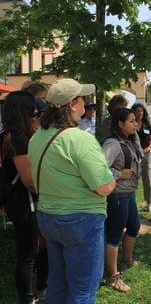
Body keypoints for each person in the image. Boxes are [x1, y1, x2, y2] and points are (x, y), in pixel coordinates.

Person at [28, 78, 116, 303]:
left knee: (57, 283)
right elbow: (105, 187)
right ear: (71, 104)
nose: (85, 104)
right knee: (83, 290)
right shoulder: (80, 139)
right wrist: (114, 178)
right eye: (82, 99)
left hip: (48, 218)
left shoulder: (36, 138)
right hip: (80, 221)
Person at [0, 90, 48, 304]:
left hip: (20, 201)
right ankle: (27, 299)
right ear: (23, 111)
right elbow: (29, 180)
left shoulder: (12, 134)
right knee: (27, 255)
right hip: (24, 202)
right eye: (33, 109)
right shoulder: (16, 138)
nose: (35, 113)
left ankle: (37, 291)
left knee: (32, 251)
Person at [102, 108, 142, 292]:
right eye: (132, 121)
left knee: (134, 226)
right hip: (117, 195)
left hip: (129, 193)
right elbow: (100, 169)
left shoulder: (129, 140)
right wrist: (119, 174)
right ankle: (113, 276)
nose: (136, 124)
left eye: (136, 120)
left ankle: (127, 259)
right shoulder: (112, 143)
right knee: (114, 234)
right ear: (120, 123)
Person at [132, 103, 151, 213]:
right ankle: (132, 203)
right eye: (137, 111)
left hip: (146, 155)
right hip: (134, 155)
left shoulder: (146, 125)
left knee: (148, 179)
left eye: (141, 111)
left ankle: (149, 203)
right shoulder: (131, 123)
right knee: (133, 179)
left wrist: (150, 147)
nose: (139, 113)